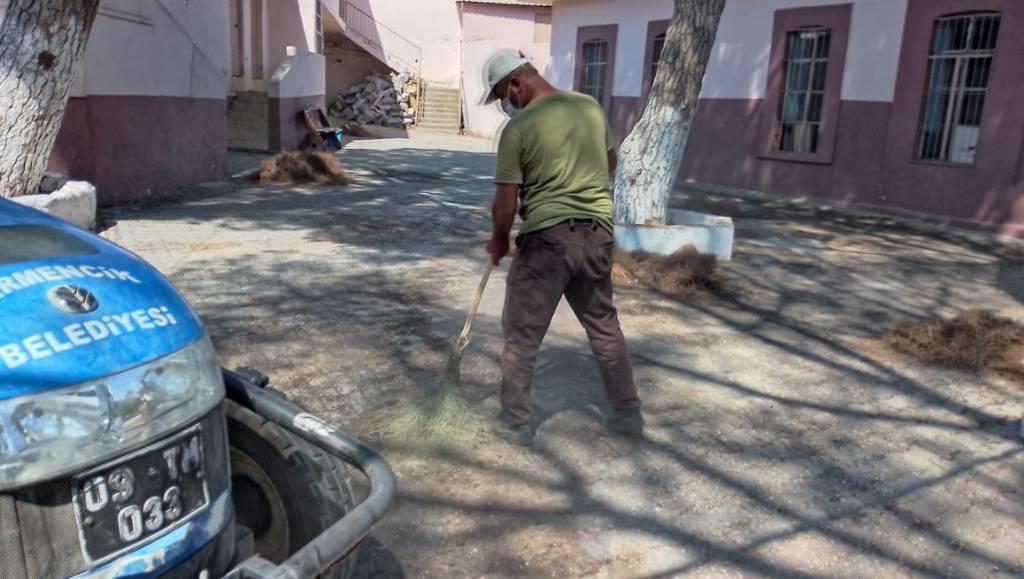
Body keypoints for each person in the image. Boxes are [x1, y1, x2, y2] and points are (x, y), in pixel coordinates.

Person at [481, 49, 643, 446]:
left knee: (521, 335)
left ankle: (515, 424)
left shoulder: (518, 130)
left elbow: (505, 202)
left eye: (504, 93)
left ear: (517, 83)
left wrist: (500, 239)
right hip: (598, 235)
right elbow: (609, 165)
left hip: (547, 242)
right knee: (605, 329)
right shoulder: (588, 107)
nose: (506, 103)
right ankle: (627, 417)